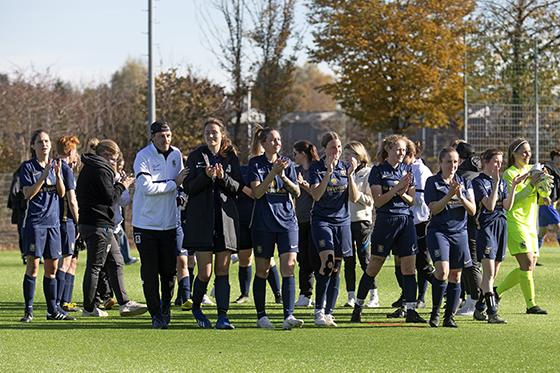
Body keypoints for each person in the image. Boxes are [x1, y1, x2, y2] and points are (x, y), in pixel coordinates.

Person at [351, 135, 425, 324]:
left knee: (409, 268)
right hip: (386, 221)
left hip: (406, 221)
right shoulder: (378, 171)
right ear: (388, 150)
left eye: (403, 150)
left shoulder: (407, 169)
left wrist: (402, 191)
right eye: (398, 149)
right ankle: (358, 307)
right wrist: (397, 189)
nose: (401, 153)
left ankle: (410, 310)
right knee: (374, 265)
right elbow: (379, 201)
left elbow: (412, 200)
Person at [182, 118, 242, 329]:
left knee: (222, 270)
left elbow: (237, 187)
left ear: (222, 134)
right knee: (205, 272)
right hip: (202, 222)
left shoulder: (230, 156)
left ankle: (223, 317)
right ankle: (197, 308)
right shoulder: (196, 156)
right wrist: (206, 177)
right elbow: (188, 187)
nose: (211, 135)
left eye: (215, 132)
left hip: (225, 221)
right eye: (207, 132)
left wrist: (222, 176)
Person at [77, 138, 147, 319]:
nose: (111, 161)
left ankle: (124, 303)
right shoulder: (100, 169)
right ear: (100, 154)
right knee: (95, 266)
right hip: (98, 224)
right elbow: (110, 198)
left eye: (114, 158)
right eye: (108, 156)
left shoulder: (90, 166)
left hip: (97, 224)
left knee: (116, 261)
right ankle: (89, 308)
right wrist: (123, 185)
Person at [132, 121, 188, 328]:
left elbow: (182, 182)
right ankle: (155, 314)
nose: (166, 140)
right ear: (152, 137)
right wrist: (175, 184)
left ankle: (166, 308)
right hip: (145, 224)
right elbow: (147, 187)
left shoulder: (176, 154)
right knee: (150, 270)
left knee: (168, 272)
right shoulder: (143, 156)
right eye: (161, 136)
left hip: (170, 224)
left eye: (169, 135)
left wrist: (181, 194)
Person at [248, 128, 304, 329]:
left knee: (289, 265)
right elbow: (257, 192)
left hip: (287, 222)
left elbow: (297, 191)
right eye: (272, 140)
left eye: (279, 139)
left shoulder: (287, 163)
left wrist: (284, 176)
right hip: (264, 223)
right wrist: (273, 173)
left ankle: (288, 315)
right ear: (263, 143)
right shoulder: (255, 163)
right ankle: (261, 316)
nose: (277, 143)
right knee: (262, 269)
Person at [19, 129, 73, 322]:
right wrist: (43, 175)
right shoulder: (27, 167)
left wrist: (57, 175)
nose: (45, 144)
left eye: (47, 141)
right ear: (33, 146)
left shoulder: (56, 165)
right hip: (35, 224)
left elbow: (61, 193)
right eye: (40, 142)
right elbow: (28, 194)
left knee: (52, 269)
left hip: (54, 224)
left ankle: (52, 311)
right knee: (33, 267)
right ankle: (29, 310)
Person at [309, 131, 358, 327]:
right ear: (324, 149)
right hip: (322, 221)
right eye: (332, 148)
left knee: (336, 268)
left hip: (343, 222)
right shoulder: (316, 168)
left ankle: (329, 312)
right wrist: (328, 173)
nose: (336, 151)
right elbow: (316, 195)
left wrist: (351, 176)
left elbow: (354, 198)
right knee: (327, 263)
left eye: (338, 147)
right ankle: (318, 311)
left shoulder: (346, 167)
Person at [424, 147, 477, 328]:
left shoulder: (464, 182)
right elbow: (434, 208)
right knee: (442, 272)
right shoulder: (432, 182)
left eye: (455, 162)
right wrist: (449, 195)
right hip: (439, 232)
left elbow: (473, 211)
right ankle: (435, 312)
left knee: (456, 275)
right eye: (448, 161)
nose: (452, 165)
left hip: (460, 233)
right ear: (441, 163)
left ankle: (449, 317)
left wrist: (461, 196)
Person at [495, 138, 548, 315]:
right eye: (524, 152)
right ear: (514, 154)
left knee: (530, 264)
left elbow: (541, 195)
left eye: (529, 152)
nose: (528, 155)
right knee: (525, 262)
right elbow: (512, 201)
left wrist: (544, 187)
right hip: (515, 221)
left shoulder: (532, 169)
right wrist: (531, 183)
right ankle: (531, 305)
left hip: (530, 223)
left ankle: (496, 292)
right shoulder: (510, 174)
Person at [234, 130, 283, 305]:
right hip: (244, 216)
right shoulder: (246, 167)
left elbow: (257, 192)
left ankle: (278, 294)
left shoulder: (270, 166)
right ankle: (244, 293)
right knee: (245, 256)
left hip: (262, 217)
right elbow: (238, 187)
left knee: (267, 259)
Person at [471, 148, 519, 324]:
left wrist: (513, 186)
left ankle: (479, 308)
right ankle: (492, 312)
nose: (499, 165)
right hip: (486, 228)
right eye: (495, 162)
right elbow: (490, 206)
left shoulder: (502, 182)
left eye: (500, 162)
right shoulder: (479, 182)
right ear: (486, 162)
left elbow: (506, 206)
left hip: (501, 226)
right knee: (489, 273)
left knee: (493, 273)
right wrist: (495, 183)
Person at [342, 141, 379, 308]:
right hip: (345, 221)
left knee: (365, 260)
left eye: (351, 154)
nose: (348, 158)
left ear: (359, 156)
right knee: (348, 261)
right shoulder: (342, 172)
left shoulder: (368, 173)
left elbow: (370, 200)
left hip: (362, 221)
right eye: (346, 154)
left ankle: (373, 295)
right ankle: (350, 296)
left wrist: (355, 191)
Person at [453, 141, 483, 316]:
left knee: (470, 263)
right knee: (470, 262)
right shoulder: (477, 173)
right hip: (479, 224)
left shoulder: (463, 176)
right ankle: (471, 299)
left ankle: (476, 300)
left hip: (467, 224)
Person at [54, 135, 81, 313]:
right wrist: (80, 222)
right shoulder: (66, 170)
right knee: (65, 262)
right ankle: (57, 303)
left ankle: (65, 300)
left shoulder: (54, 166)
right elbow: (71, 200)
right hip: (67, 220)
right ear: (71, 151)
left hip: (59, 220)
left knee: (72, 261)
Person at [293, 140, 320, 308]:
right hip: (299, 219)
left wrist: (304, 185)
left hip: (316, 219)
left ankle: (319, 294)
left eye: (295, 154)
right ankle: (305, 294)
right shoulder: (295, 171)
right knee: (302, 259)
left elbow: (318, 194)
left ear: (303, 154)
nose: (293, 157)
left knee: (315, 258)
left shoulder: (317, 169)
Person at [408, 141, 434, 308]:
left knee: (422, 262)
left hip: (420, 220)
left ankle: (424, 296)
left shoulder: (420, 170)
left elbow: (423, 198)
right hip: (409, 220)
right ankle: (409, 297)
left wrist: (403, 194)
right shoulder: (407, 168)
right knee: (409, 261)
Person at [537, 150, 560, 257]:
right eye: (558, 157)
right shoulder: (548, 168)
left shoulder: (557, 170)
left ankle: (533, 255)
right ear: (554, 158)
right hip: (546, 204)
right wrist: (544, 195)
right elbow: (542, 180)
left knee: (542, 233)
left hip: (549, 205)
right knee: (559, 227)